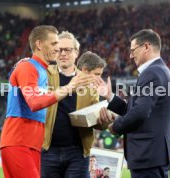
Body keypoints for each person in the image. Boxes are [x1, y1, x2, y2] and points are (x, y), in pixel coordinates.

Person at [0, 26, 93, 178]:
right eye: (54, 44)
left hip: (33, 145)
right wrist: (68, 88)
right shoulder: (27, 67)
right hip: (19, 142)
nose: (58, 49)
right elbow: (34, 102)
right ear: (39, 44)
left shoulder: (41, 70)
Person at [97, 29, 170, 178]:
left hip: (149, 154)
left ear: (146, 47)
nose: (130, 55)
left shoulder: (152, 73)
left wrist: (115, 127)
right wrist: (110, 96)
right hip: (153, 154)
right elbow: (135, 108)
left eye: (133, 50)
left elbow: (140, 112)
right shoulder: (159, 71)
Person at [41, 31, 111, 178]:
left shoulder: (87, 80)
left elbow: (95, 119)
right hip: (48, 151)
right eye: (59, 50)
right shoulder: (43, 75)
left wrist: (103, 121)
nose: (63, 54)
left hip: (78, 153)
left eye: (68, 49)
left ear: (76, 52)